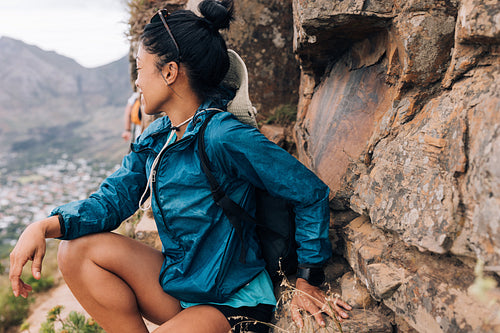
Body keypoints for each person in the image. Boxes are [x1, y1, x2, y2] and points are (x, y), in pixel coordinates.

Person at [9, 1, 351, 332]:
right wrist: (44, 226)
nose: (137, 82)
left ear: (170, 71)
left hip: (231, 301)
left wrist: (308, 280)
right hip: (185, 286)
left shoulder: (223, 136)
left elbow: (308, 191)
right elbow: (114, 200)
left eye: (141, 70)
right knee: (75, 251)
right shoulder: (159, 136)